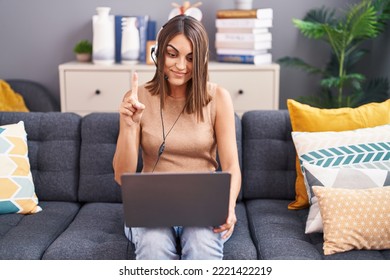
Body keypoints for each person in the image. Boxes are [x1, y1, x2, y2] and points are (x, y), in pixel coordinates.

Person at [113, 14, 241, 260]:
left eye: (191, 58)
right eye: (172, 54)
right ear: (158, 54)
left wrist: (229, 206)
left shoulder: (219, 98)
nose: (181, 66)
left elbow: (232, 165)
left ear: (202, 60)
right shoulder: (135, 98)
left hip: (203, 207)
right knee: (153, 245)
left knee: (203, 245)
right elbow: (121, 176)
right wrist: (130, 126)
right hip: (149, 207)